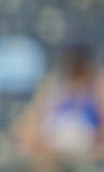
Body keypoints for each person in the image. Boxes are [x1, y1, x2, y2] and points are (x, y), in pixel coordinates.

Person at [12, 39, 104, 172]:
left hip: (90, 154)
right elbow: (24, 132)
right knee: (43, 159)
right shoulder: (54, 86)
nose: (76, 77)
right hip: (55, 153)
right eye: (72, 68)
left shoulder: (98, 86)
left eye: (79, 69)